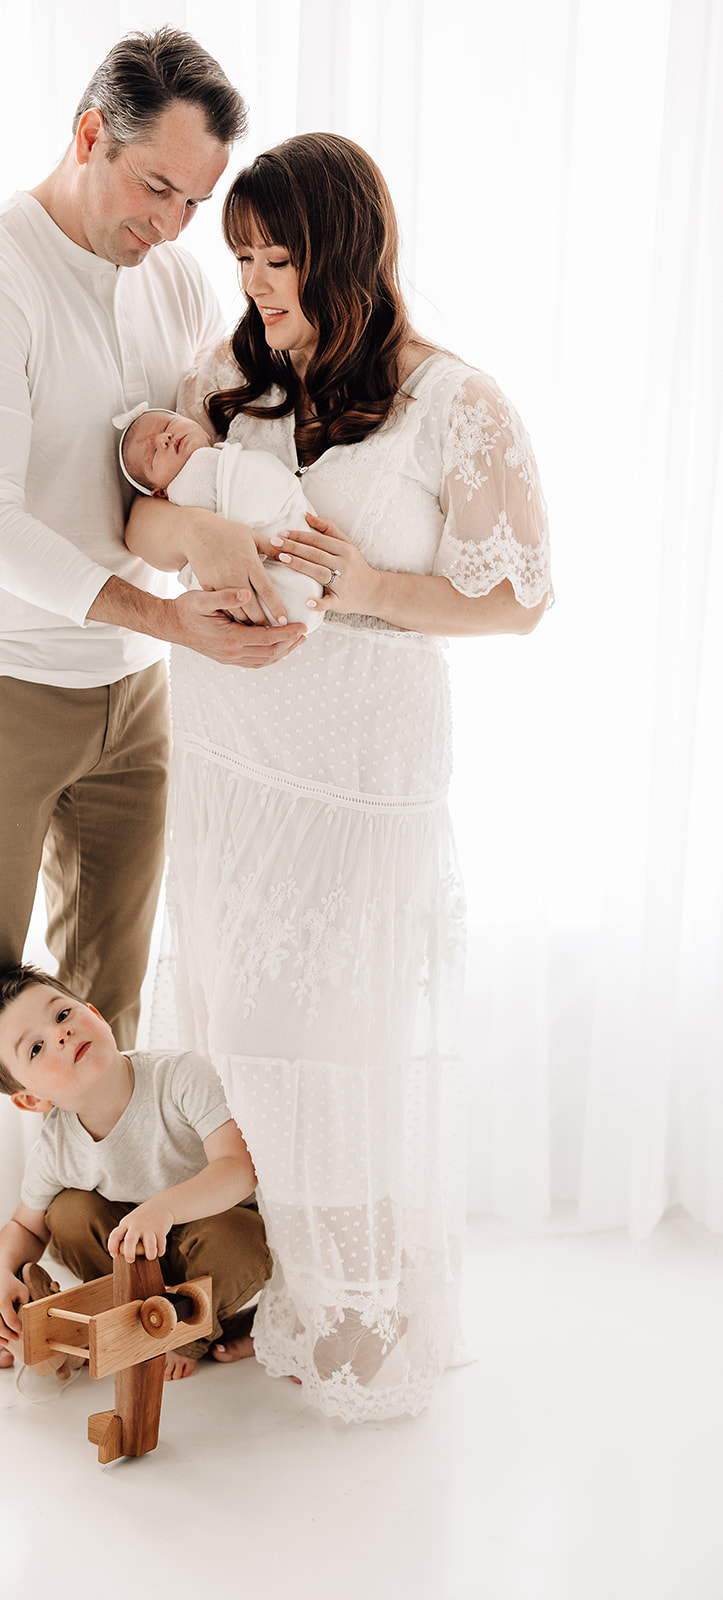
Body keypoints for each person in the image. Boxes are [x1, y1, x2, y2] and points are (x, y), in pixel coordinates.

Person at [0, 29, 305, 1378]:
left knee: (102, 1004)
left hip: (130, 690)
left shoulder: (168, 278)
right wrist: (161, 613)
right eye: (154, 189)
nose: (172, 224)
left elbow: (174, 460)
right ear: (86, 135)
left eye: (194, 199)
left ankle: (95, 1256)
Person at [126, 132, 552, 1421]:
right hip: (227, 756)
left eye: (279, 257)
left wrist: (363, 587)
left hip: (355, 771)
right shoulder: (226, 374)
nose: (256, 282)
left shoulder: (452, 399)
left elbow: (515, 599)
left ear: (349, 252)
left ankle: (355, 1306)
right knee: (232, 1028)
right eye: (241, 255)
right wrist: (198, 529)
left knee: (325, 1033)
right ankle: (248, 1287)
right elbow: (134, 517)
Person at [0, 963, 271, 1380]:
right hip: (137, 1253)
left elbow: (238, 1168)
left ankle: (185, 1333)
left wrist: (164, 1209)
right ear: (31, 1100)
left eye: (63, 1014)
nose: (61, 1035)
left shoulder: (179, 1076)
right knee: (66, 1211)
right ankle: (130, 1320)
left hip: (208, 1235)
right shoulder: (56, 1144)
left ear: (95, 1014)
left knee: (241, 1240)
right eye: (36, 1048)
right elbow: (25, 1226)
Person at [115, 404, 324, 627]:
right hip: (287, 593)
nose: (164, 439)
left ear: (204, 431)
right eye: (153, 453)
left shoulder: (227, 456)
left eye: (168, 425)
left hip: (301, 582)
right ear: (160, 493)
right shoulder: (192, 479)